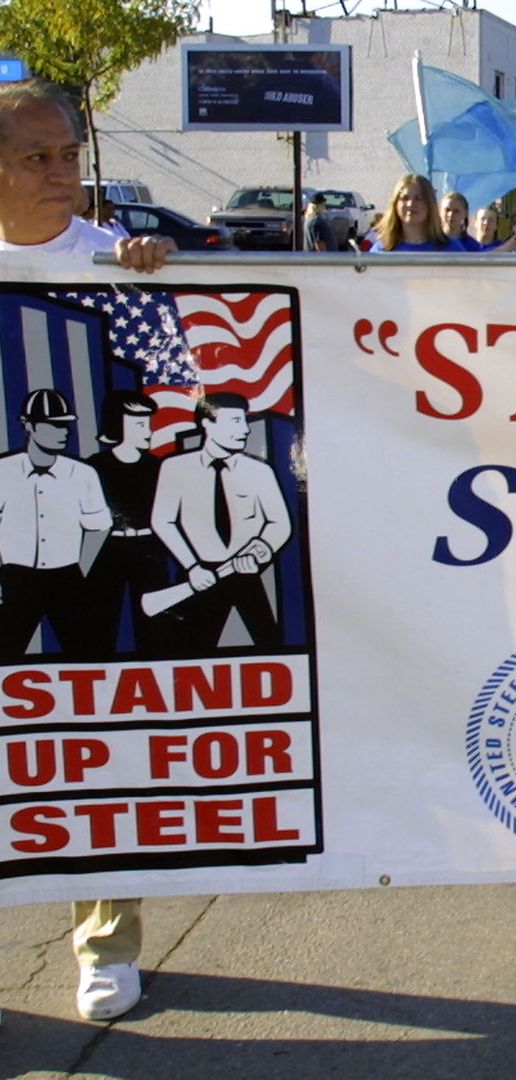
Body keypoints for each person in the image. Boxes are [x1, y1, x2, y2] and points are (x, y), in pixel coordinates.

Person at [0, 78, 171, 1025]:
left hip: (85, 553)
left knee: (93, 740)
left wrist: (164, 283)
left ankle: (108, 940)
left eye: (69, 154)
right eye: (37, 158)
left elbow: (180, 391)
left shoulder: (116, 265)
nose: (61, 173)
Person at [148, 392, 293, 652]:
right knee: (193, 652)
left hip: (246, 574)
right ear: (208, 424)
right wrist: (192, 566)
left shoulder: (260, 471)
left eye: (245, 421)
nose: (245, 430)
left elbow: (280, 523)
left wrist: (259, 551)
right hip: (201, 575)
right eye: (235, 421)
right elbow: (163, 521)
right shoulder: (175, 467)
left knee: (271, 647)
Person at [0, 388, 111, 658]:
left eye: (65, 425)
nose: (64, 432)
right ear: (28, 425)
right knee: (5, 653)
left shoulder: (83, 473)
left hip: (66, 577)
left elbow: (99, 524)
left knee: (85, 656)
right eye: (53, 425)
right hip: (17, 577)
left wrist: (80, 569)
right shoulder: (4, 471)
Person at [85, 391, 168, 653]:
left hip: (149, 549)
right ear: (117, 424)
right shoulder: (94, 467)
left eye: (148, 423)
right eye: (140, 424)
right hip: (107, 548)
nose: (149, 431)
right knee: (100, 622)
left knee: (156, 625)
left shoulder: (158, 467)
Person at [368, 174, 480, 252]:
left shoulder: (451, 249)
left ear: (430, 204)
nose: (410, 204)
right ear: (395, 204)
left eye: (419, 198)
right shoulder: (381, 250)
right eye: (405, 198)